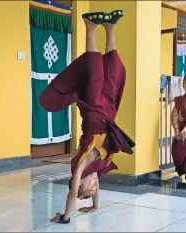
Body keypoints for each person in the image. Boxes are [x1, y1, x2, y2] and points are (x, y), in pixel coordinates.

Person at [39, 10, 135, 224]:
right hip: (109, 110)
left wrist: (65, 216)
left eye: (86, 188)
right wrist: (94, 205)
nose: (93, 185)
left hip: (92, 109)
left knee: (95, 71)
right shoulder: (98, 170)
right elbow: (95, 186)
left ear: (77, 183)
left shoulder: (80, 166)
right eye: (94, 188)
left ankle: (90, 26)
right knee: (115, 72)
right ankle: (110, 27)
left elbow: (73, 193)